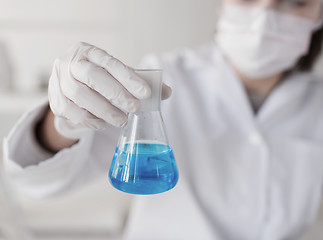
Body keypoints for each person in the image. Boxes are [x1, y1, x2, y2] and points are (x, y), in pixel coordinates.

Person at [3, 0, 323, 238]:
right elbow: (41, 181)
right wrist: (64, 121)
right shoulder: (165, 77)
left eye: (295, 1)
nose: (264, 17)